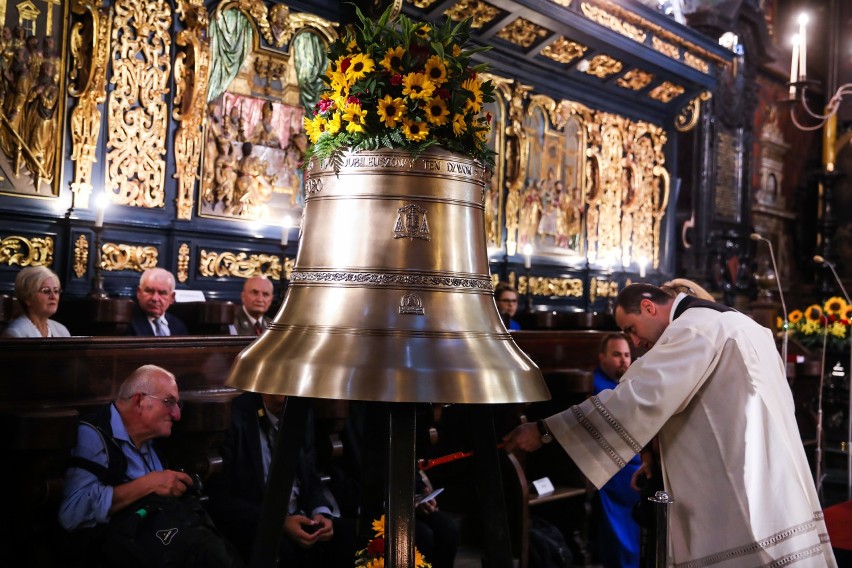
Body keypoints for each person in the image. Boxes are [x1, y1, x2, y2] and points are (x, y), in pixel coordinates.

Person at [504, 283, 837, 567]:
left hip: (736, 476)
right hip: (773, 466)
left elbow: (636, 399)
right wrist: (658, 458)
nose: (634, 344)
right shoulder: (740, 323)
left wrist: (546, 430)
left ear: (649, 307)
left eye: (631, 329)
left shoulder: (692, 329)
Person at [58, 365, 243, 567]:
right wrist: (150, 483)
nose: (177, 415)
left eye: (177, 405)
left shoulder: (153, 438)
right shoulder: (92, 435)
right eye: (169, 402)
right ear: (139, 401)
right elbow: (71, 513)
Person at [207, 392, 356, 566]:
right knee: (283, 550)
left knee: (352, 534)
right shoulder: (235, 414)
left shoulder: (300, 408)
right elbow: (221, 500)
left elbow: (311, 475)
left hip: (301, 515)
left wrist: (321, 513)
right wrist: (279, 522)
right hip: (256, 521)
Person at [590, 332, 640, 568]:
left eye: (627, 355)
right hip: (613, 464)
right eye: (617, 354)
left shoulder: (629, 382)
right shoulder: (599, 387)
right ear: (602, 358)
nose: (623, 360)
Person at [2, 266, 70, 337]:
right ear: (27, 297)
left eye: (56, 291)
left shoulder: (62, 331)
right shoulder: (15, 333)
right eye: (46, 291)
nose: (53, 297)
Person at [126, 268, 189, 336]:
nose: (155, 298)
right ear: (139, 293)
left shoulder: (178, 327)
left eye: (162, 293)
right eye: (149, 291)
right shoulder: (125, 324)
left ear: (172, 298)